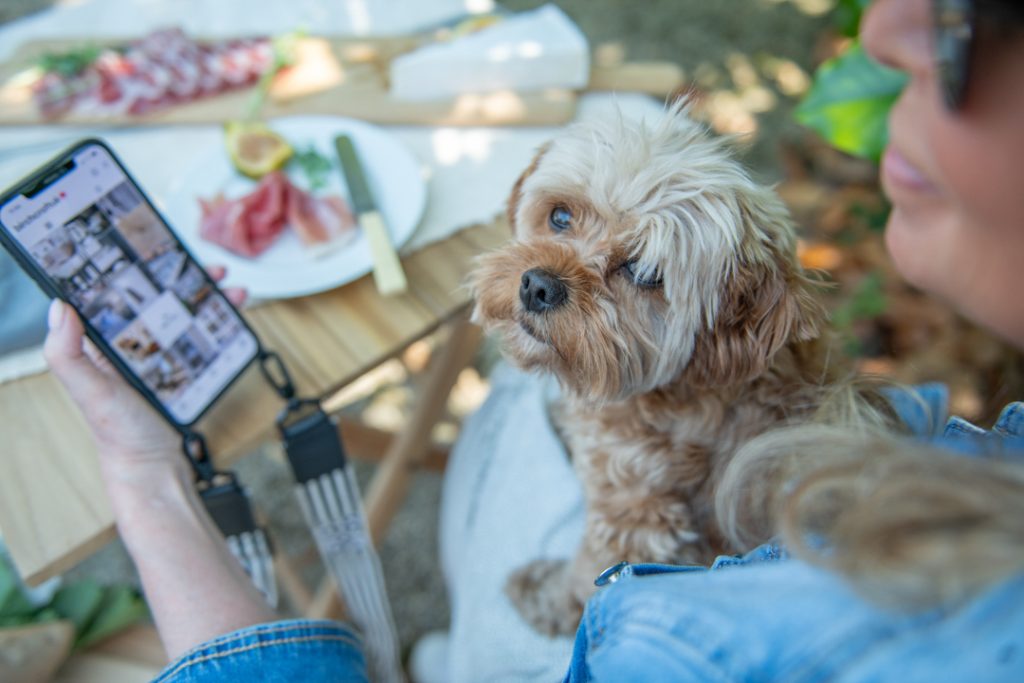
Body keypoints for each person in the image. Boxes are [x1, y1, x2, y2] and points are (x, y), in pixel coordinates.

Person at [40, 0, 1024, 680]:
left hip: (634, 554)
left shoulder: (702, 632)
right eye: (558, 220)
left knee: (506, 469)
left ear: (730, 324)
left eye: (639, 273)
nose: (553, 271)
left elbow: (630, 549)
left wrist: (140, 471)